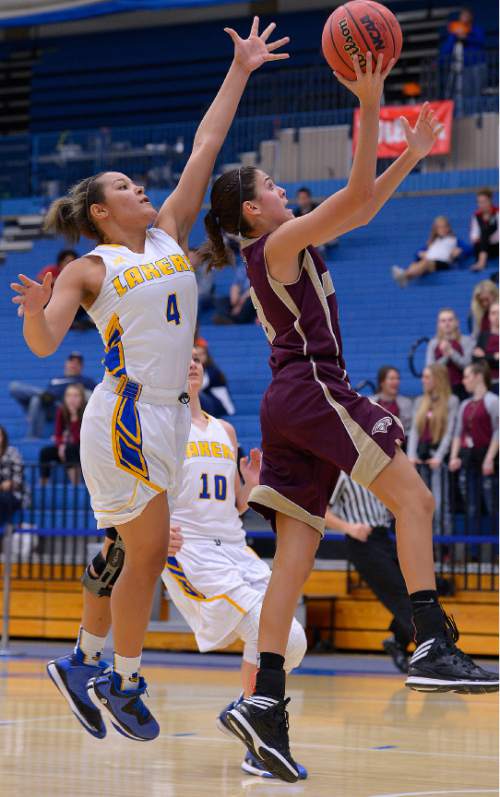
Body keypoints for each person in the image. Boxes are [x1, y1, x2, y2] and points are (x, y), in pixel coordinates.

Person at [202, 56, 498, 782]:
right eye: (270, 186)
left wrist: (411, 157)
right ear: (251, 209)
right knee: (417, 498)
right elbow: (359, 201)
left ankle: (264, 699)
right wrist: (369, 107)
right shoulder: (276, 244)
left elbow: (362, 202)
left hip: (287, 404)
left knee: (291, 565)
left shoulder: (279, 245)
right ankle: (430, 638)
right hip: (313, 387)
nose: (280, 190)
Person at [13, 18, 290, 743]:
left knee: (123, 552)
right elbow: (44, 345)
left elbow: (205, 145)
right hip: (126, 415)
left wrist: (240, 70)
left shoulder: (168, 230)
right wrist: (35, 315)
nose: (142, 188)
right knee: (147, 549)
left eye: (138, 183)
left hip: (166, 417)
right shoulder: (89, 267)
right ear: (103, 212)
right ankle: (119, 678)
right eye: (125, 186)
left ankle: (84, 661)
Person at [162, 349, 307, 778]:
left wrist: (252, 487)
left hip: (235, 547)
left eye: (197, 357)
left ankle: (250, 716)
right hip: (192, 551)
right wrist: (154, 532)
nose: (190, 362)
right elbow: (141, 491)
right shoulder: (160, 428)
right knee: (269, 631)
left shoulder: (224, 430)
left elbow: (235, 505)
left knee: (291, 639)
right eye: (182, 357)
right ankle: (257, 732)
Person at [325, 472, 413, 673]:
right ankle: (429, 652)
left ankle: (398, 641)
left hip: (385, 536)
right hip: (362, 542)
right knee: (401, 595)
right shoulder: (342, 474)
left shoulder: (379, 472)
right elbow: (321, 511)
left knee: (417, 589)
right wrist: (349, 528)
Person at [407, 364, 459, 534]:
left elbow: (450, 432)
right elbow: (414, 431)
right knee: (421, 504)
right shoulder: (421, 401)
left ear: (438, 379)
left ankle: (445, 547)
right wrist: (411, 455)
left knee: (440, 503)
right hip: (420, 459)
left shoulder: (451, 401)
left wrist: (439, 456)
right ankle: (429, 548)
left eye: (427, 377)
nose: (423, 380)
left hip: (437, 460)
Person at [449, 363, 499, 535]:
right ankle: (474, 553)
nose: (463, 381)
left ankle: (496, 552)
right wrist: (454, 456)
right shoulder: (465, 404)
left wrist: (490, 458)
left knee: (493, 504)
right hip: (468, 459)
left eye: (467, 376)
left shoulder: (493, 401)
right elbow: (458, 432)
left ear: (478, 377)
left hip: (487, 459)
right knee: (471, 505)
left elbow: (498, 431)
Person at [440, 7, 487, 115]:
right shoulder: (456, 31)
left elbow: (481, 41)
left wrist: (466, 37)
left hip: (477, 65)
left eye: (466, 15)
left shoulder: (476, 29)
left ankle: (476, 114)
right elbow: (446, 49)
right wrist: (455, 35)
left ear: (471, 17)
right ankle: (466, 114)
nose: (463, 17)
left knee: (476, 92)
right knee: (465, 93)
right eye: (462, 15)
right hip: (463, 67)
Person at [39, 384, 86, 485]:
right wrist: (61, 445)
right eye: (68, 395)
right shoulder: (61, 411)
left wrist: (74, 418)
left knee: (70, 449)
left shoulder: (87, 411)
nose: (71, 399)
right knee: (45, 452)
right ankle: (43, 486)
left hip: (83, 450)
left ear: (82, 398)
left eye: (75, 396)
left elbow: (81, 438)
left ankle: (76, 485)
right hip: (65, 449)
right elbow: (58, 434)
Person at [392, 216, 460, 286]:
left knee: (425, 263)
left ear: (448, 228)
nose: (442, 229)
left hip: (443, 263)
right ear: (435, 230)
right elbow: (417, 253)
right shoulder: (433, 242)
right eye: (439, 228)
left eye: (444, 227)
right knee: (414, 264)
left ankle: (405, 275)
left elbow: (467, 249)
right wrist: (421, 254)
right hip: (431, 261)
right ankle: (406, 278)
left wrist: (459, 252)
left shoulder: (453, 239)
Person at [426, 308, 473, 401]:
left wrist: (451, 352)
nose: (447, 323)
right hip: (440, 389)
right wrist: (446, 357)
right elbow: (430, 369)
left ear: (457, 322)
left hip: (462, 389)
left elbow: (468, 366)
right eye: (443, 321)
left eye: (450, 320)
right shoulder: (433, 343)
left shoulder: (466, 340)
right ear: (439, 324)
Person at [195, 341, 235, 416]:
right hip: (208, 402)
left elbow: (201, 385)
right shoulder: (195, 369)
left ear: (207, 355)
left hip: (219, 403)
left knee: (196, 393)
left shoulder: (212, 370)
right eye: (196, 355)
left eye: (201, 354)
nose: (199, 357)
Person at [371, 365, 413, 435]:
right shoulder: (370, 402)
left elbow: (408, 429)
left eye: (397, 379)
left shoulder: (406, 403)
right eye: (392, 379)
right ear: (382, 382)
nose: (396, 382)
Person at [0, 425, 25, 528]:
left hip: (13, 494)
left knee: (3, 499)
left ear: (3, 437)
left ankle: (6, 529)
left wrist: (6, 485)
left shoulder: (12, 452)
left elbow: (16, 480)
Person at [469, 189, 499, 273]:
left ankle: (481, 262)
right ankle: (482, 259)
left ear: (490, 201)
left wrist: (488, 227)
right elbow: (474, 236)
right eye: (479, 202)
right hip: (485, 246)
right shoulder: (476, 216)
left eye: (484, 201)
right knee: (481, 237)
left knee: (485, 231)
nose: (482, 205)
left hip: (497, 245)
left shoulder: (498, 213)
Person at [473, 301, 499, 393]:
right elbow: (476, 359)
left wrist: (484, 356)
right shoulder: (483, 336)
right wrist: (494, 357)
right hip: (486, 383)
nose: (497, 316)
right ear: (489, 317)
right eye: (493, 313)